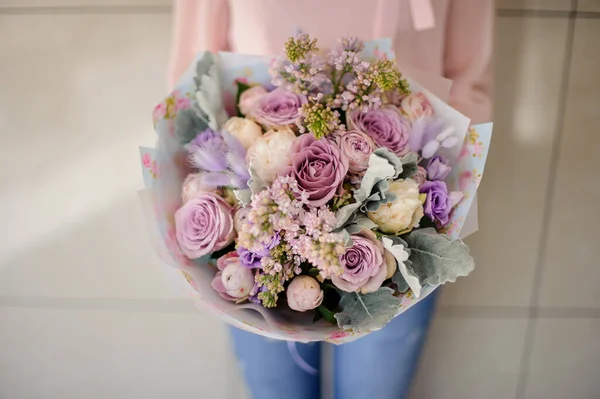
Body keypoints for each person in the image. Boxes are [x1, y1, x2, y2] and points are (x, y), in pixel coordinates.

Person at [167, 1, 493, 398]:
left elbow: (470, 81)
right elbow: (189, 77)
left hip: (406, 225)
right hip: (252, 237)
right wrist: (213, 208)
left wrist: (434, 195)